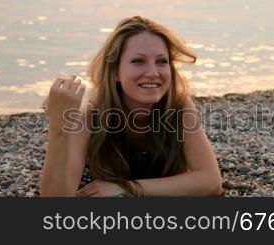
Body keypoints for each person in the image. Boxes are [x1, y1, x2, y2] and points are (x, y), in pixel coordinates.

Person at [40, 16, 222, 197]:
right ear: (115, 71)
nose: (153, 73)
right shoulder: (91, 113)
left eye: (162, 61)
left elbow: (211, 181)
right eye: (138, 61)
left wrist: (127, 187)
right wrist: (59, 125)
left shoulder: (178, 106)